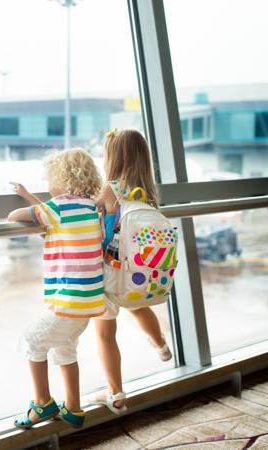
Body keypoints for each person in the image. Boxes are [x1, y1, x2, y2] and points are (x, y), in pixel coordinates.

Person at [7, 148, 104, 429]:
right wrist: (30, 196)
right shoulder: (89, 207)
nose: (47, 183)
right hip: (87, 304)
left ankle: (42, 404)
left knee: (31, 342)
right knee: (65, 350)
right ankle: (73, 408)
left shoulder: (58, 208)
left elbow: (16, 215)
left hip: (66, 303)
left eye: (49, 177)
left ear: (61, 177)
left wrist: (25, 203)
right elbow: (55, 219)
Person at [92, 128, 172, 415]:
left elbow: (91, 213)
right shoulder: (148, 193)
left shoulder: (109, 189)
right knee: (138, 307)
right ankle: (161, 344)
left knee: (104, 334)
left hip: (112, 273)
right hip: (140, 274)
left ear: (113, 157)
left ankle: (115, 394)